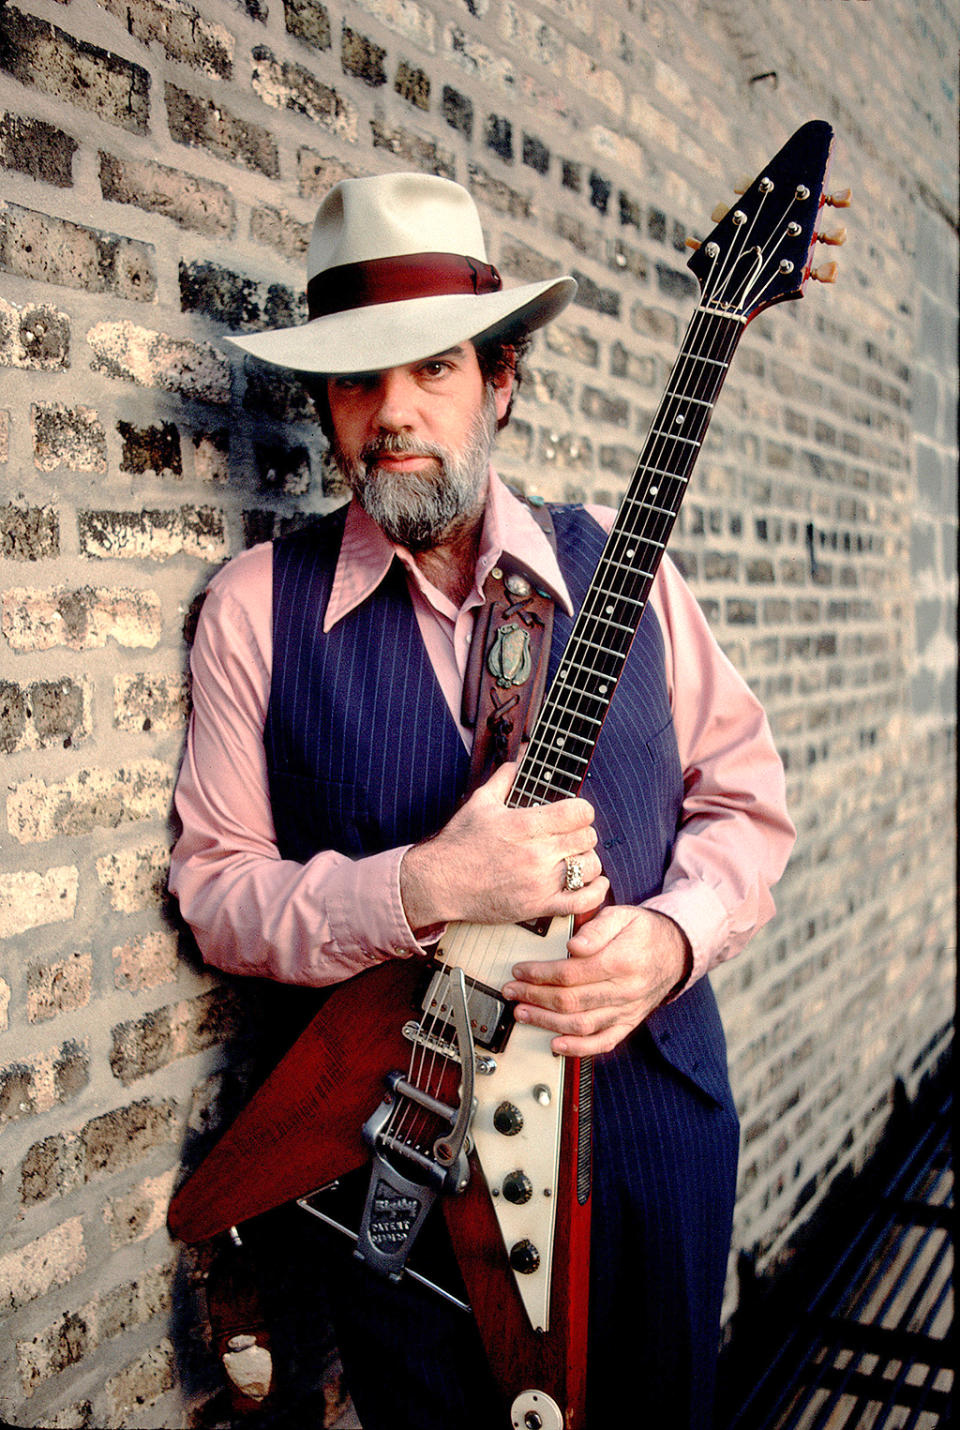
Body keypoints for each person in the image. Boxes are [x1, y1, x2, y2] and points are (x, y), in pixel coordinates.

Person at [169, 171, 795, 1429]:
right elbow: (218, 891)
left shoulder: (618, 559)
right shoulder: (255, 609)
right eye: (358, 380)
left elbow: (746, 799)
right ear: (328, 407)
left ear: (499, 378)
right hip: (411, 1161)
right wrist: (422, 885)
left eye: (433, 369)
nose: (393, 414)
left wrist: (671, 937)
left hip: (652, 1129)